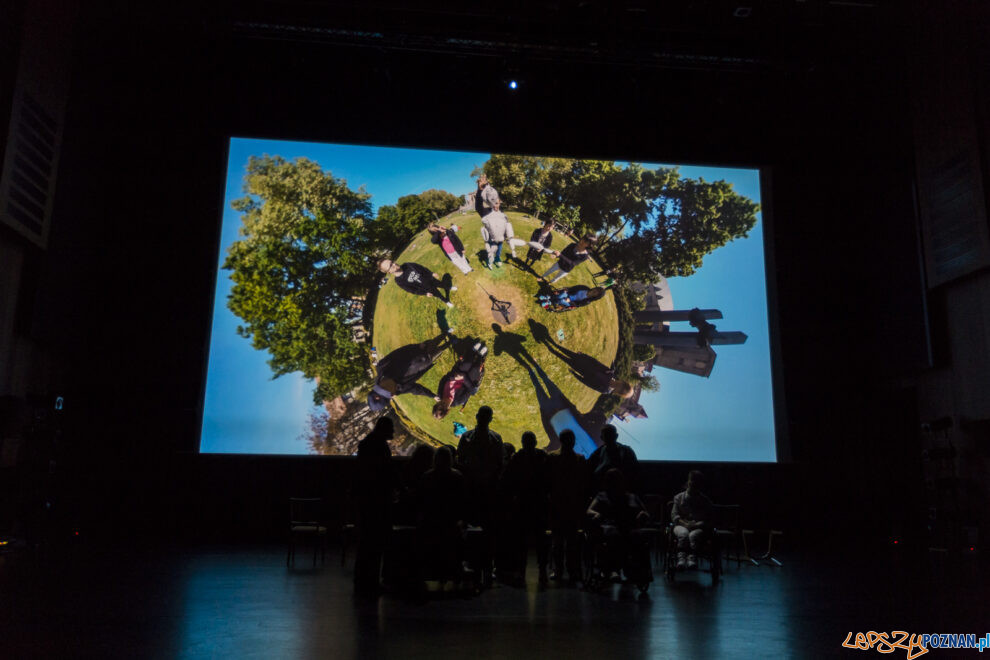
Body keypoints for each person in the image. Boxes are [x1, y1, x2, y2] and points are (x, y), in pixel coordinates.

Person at [456, 406, 504, 585]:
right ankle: (469, 563)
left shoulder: (492, 438)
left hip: (487, 493)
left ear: (488, 419)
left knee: (488, 532)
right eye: (482, 416)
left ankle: (487, 566)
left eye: (485, 416)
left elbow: (500, 464)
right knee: (470, 530)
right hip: (472, 492)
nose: (483, 419)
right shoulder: (467, 437)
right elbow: (460, 461)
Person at [353, 417, 397, 596]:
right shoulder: (379, 448)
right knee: (374, 544)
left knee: (367, 544)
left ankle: (364, 581)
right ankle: (371, 581)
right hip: (377, 503)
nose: (393, 432)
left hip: (368, 502)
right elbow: (387, 474)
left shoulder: (367, 445)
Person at [501, 431, 550, 585]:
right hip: (536, 504)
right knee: (537, 540)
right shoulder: (542, 457)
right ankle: (540, 572)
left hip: (525, 504)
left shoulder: (518, 458)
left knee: (523, 541)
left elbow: (507, 480)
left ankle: (523, 572)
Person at [586, 468, 651, 581]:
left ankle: (637, 570)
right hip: (610, 526)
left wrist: (643, 514)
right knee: (614, 535)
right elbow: (589, 510)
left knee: (637, 536)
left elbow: (645, 512)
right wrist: (596, 514)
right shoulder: (602, 496)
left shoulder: (631, 496)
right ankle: (613, 569)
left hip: (629, 526)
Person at [367, 334, 451, 412]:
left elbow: (400, 352)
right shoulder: (399, 389)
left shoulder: (382, 367)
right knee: (440, 349)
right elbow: (416, 389)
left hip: (419, 350)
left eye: (388, 395)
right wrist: (432, 395)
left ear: (380, 392)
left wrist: (416, 346)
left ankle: (447, 332)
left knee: (435, 341)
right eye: (390, 397)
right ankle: (451, 342)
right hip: (427, 361)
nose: (392, 396)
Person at [547, 429, 588, 582]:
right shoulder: (579, 459)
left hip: (563, 505)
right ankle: (569, 570)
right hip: (567, 505)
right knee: (567, 541)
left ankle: (561, 570)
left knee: (563, 541)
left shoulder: (553, 458)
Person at [432, 341, 488, 419]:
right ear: (447, 410)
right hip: (468, 381)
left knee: (467, 364)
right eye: (443, 407)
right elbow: (470, 390)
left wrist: (453, 377)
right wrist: (463, 378)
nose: (442, 403)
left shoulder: (440, 393)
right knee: (475, 369)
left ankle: (473, 350)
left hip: (457, 373)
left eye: (439, 404)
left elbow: (443, 379)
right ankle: (480, 356)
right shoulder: (457, 401)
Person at [671, 470, 714, 570]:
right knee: (683, 534)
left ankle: (692, 559)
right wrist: (684, 523)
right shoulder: (679, 497)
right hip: (681, 525)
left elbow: (708, 518)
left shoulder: (705, 501)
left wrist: (697, 524)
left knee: (693, 536)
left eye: (696, 481)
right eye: (692, 480)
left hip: (698, 526)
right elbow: (674, 515)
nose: (693, 483)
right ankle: (681, 559)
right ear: (688, 482)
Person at [379, 259, 455, 307]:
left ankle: (449, 287)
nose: (394, 264)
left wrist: (431, 273)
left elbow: (421, 268)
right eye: (391, 266)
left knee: (441, 284)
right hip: (427, 288)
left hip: (430, 279)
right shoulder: (399, 281)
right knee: (438, 294)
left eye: (392, 262)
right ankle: (446, 301)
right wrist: (425, 293)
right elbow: (412, 290)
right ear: (389, 272)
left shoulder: (407, 265)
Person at [588, 424, 639, 492]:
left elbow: (634, 473)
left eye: (610, 435)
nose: (609, 438)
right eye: (607, 435)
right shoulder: (597, 453)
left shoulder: (626, 451)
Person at [538, 285, 608, 311]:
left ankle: (549, 302)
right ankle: (548, 297)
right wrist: (567, 290)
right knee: (561, 295)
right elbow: (574, 288)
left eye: (597, 293)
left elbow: (577, 305)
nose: (595, 291)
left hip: (571, 302)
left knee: (562, 300)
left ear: (597, 296)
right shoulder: (585, 288)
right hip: (568, 294)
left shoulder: (588, 301)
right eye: (597, 289)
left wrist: (569, 301)